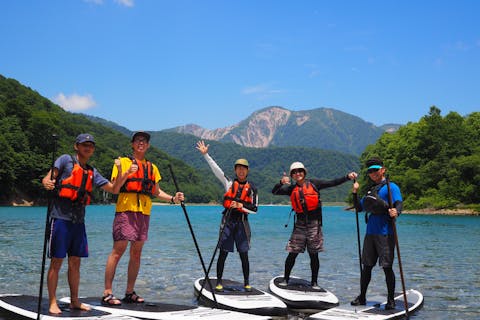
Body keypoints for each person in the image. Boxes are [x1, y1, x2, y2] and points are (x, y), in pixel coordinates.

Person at [41, 133, 126, 314]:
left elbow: (114, 189)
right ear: (76, 146)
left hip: (78, 222)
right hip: (60, 218)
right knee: (56, 262)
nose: (88, 148)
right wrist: (47, 183)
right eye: (84, 144)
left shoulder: (91, 171)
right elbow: (47, 179)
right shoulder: (65, 160)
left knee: (75, 263)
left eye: (91, 145)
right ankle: (53, 302)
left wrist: (119, 172)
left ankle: (74, 301)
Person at [102, 131, 184, 305]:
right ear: (132, 144)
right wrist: (126, 172)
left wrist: (172, 198)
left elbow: (155, 191)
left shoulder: (152, 167)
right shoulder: (122, 162)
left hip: (144, 212)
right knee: (118, 250)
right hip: (126, 209)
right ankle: (107, 292)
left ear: (147, 146)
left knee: (136, 253)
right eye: (138, 140)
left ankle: (129, 292)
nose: (141, 143)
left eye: (145, 141)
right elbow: (115, 187)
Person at [272, 162, 357, 289]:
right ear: (292, 175)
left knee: (314, 254)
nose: (297, 174)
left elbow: (332, 182)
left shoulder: (314, 183)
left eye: (300, 171)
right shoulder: (291, 189)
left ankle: (314, 282)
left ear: (304, 172)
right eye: (294, 172)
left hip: (314, 224)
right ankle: (285, 278)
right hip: (299, 225)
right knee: (292, 253)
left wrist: (347, 177)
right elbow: (275, 192)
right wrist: (280, 182)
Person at [196, 140, 258, 292]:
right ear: (235, 171)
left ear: (247, 171)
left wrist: (241, 206)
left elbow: (255, 209)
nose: (241, 171)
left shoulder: (252, 188)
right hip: (228, 222)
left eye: (244, 169)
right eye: (238, 169)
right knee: (223, 252)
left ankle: (246, 282)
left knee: (244, 254)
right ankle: (218, 282)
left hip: (243, 223)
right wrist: (206, 155)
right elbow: (216, 170)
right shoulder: (229, 183)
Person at [350, 157, 402, 310]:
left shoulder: (391, 187)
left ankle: (391, 300)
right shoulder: (370, 189)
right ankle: (362, 297)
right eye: (370, 171)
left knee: (387, 267)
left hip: (385, 232)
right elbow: (359, 208)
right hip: (370, 233)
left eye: (375, 170)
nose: (373, 173)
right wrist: (355, 193)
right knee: (366, 266)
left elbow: (398, 203)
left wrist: (396, 211)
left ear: (383, 170)